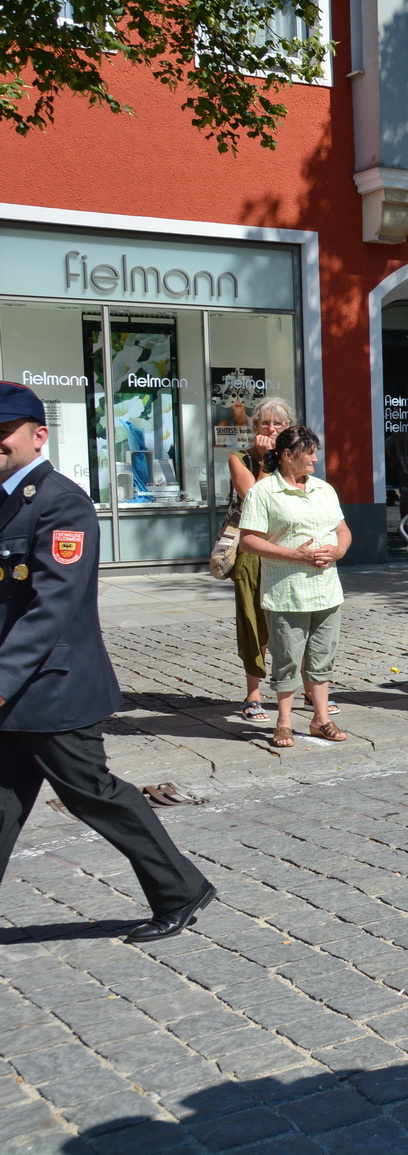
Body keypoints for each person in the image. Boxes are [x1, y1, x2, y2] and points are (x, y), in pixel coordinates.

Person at [0, 380, 215, 943]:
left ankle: (180, 888)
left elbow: (51, 606)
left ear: (37, 435)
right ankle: (180, 887)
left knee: (93, 794)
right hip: (15, 691)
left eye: (3, 433)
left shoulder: (60, 502)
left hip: (52, 691)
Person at [237, 425, 351, 749]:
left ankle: (320, 719)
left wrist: (340, 550)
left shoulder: (324, 490)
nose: (315, 458)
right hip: (287, 592)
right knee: (286, 658)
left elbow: (342, 529)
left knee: (322, 657)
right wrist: (294, 555)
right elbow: (247, 541)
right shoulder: (264, 492)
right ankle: (284, 722)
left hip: (327, 589)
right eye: (309, 452)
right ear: (287, 456)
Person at [228, 397, 295, 721]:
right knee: (253, 624)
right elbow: (256, 500)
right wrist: (266, 463)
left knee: (297, 619)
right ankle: (253, 693)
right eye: (265, 423)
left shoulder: (294, 462)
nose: (271, 429)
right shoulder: (239, 459)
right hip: (252, 552)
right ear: (255, 427)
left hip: (289, 550)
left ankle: (307, 689)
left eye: (278, 424)